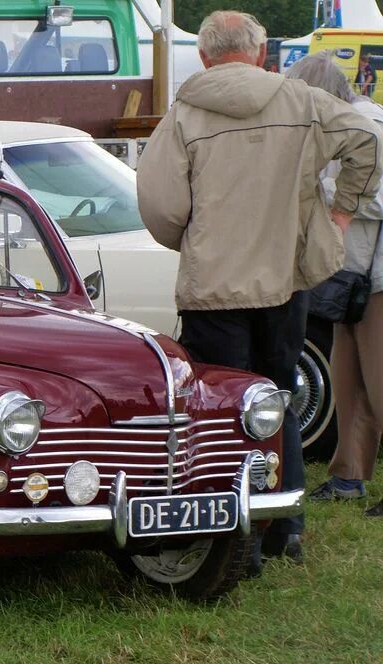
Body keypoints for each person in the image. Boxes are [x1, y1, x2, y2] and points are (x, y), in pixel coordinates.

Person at [136, 11, 382, 571]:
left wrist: (192, 238)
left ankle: (227, 530)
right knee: (280, 400)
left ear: (203, 57)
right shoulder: (303, 101)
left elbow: (159, 204)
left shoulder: (184, 114)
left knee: (220, 412)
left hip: (213, 286)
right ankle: (285, 527)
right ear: (262, 52)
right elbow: (367, 141)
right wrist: (340, 215)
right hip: (283, 279)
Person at [286, 52, 383, 510]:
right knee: (349, 382)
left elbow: (374, 199)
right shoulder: (339, 122)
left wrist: (322, 192)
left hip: (377, 278)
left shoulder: (369, 126)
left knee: (378, 382)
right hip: (352, 275)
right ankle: (347, 476)